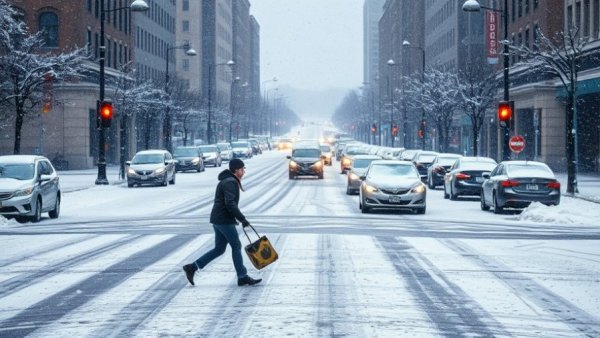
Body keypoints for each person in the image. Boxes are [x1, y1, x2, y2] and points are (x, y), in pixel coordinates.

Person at [182, 158, 262, 287]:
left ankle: (192, 267)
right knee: (236, 246)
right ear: (236, 169)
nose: (244, 171)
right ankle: (242, 276)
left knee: (219, 249)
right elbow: (230, 203)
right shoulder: (230, 182)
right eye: (242, 169)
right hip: (224, 220)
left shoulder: (228, 180)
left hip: (219, 219)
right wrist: (242, 219)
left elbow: (229, 204)